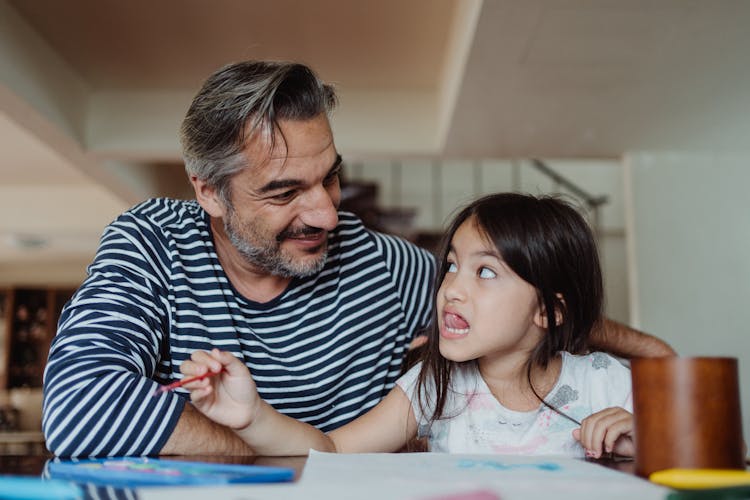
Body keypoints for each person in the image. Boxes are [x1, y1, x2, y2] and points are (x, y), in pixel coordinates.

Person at [42, 61, 669, 458]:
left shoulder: (383, 267)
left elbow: (519, 302)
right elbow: (79, 407)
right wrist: (252, 444)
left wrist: (657, 358)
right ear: (208, 191)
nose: (324, 215)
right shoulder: (152, 243)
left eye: (331, 179)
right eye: (285, 192)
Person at [182, 193, 635, 458]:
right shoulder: (433, 385)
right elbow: (333, 452)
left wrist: (641, 443)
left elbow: (690, 459)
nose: (451, 289)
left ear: (550, 312)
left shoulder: (606, 382)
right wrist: (252, 415)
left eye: (486, 272)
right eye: (452, 266)